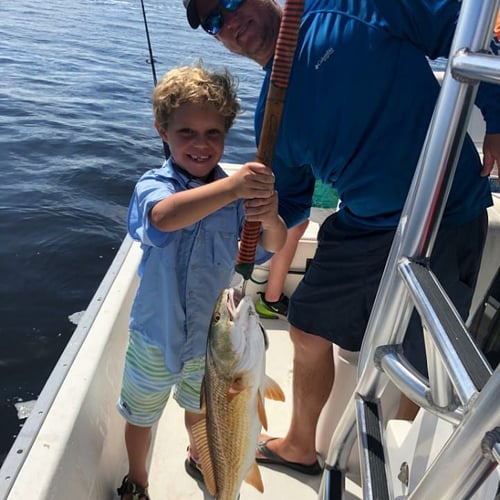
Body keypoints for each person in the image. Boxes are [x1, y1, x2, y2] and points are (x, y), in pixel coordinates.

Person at [183, 0, 500, 475]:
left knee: (426, 359)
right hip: (365, 223)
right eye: (213, 22)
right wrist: (266, 213)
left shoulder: (351, 6)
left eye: (230, 1)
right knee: (306, 326)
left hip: (446, 209)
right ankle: (298, 446)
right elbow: (291, 203)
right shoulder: (273, 108)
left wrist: (496, 117)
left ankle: (402, 464)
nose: (227, 21)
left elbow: (465, 30)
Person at [115, 63, 286, 498]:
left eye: (213, 134)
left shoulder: (235, 196)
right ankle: (137, 478)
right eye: (186, 132)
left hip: (210, 349)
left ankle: (204, 457)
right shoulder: (154, 186)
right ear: (162, 131)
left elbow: (274, 242)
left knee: (203, 414)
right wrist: (232, 191)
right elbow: (164, 218)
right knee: (141, 416)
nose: (200, 144)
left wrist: (269, 214)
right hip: (156, 338)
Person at [256, 181, 338, 319]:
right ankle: (319, 304)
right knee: (328, 238)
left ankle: (271, 300)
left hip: (298, 177)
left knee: (294, 226)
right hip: (325, 182)